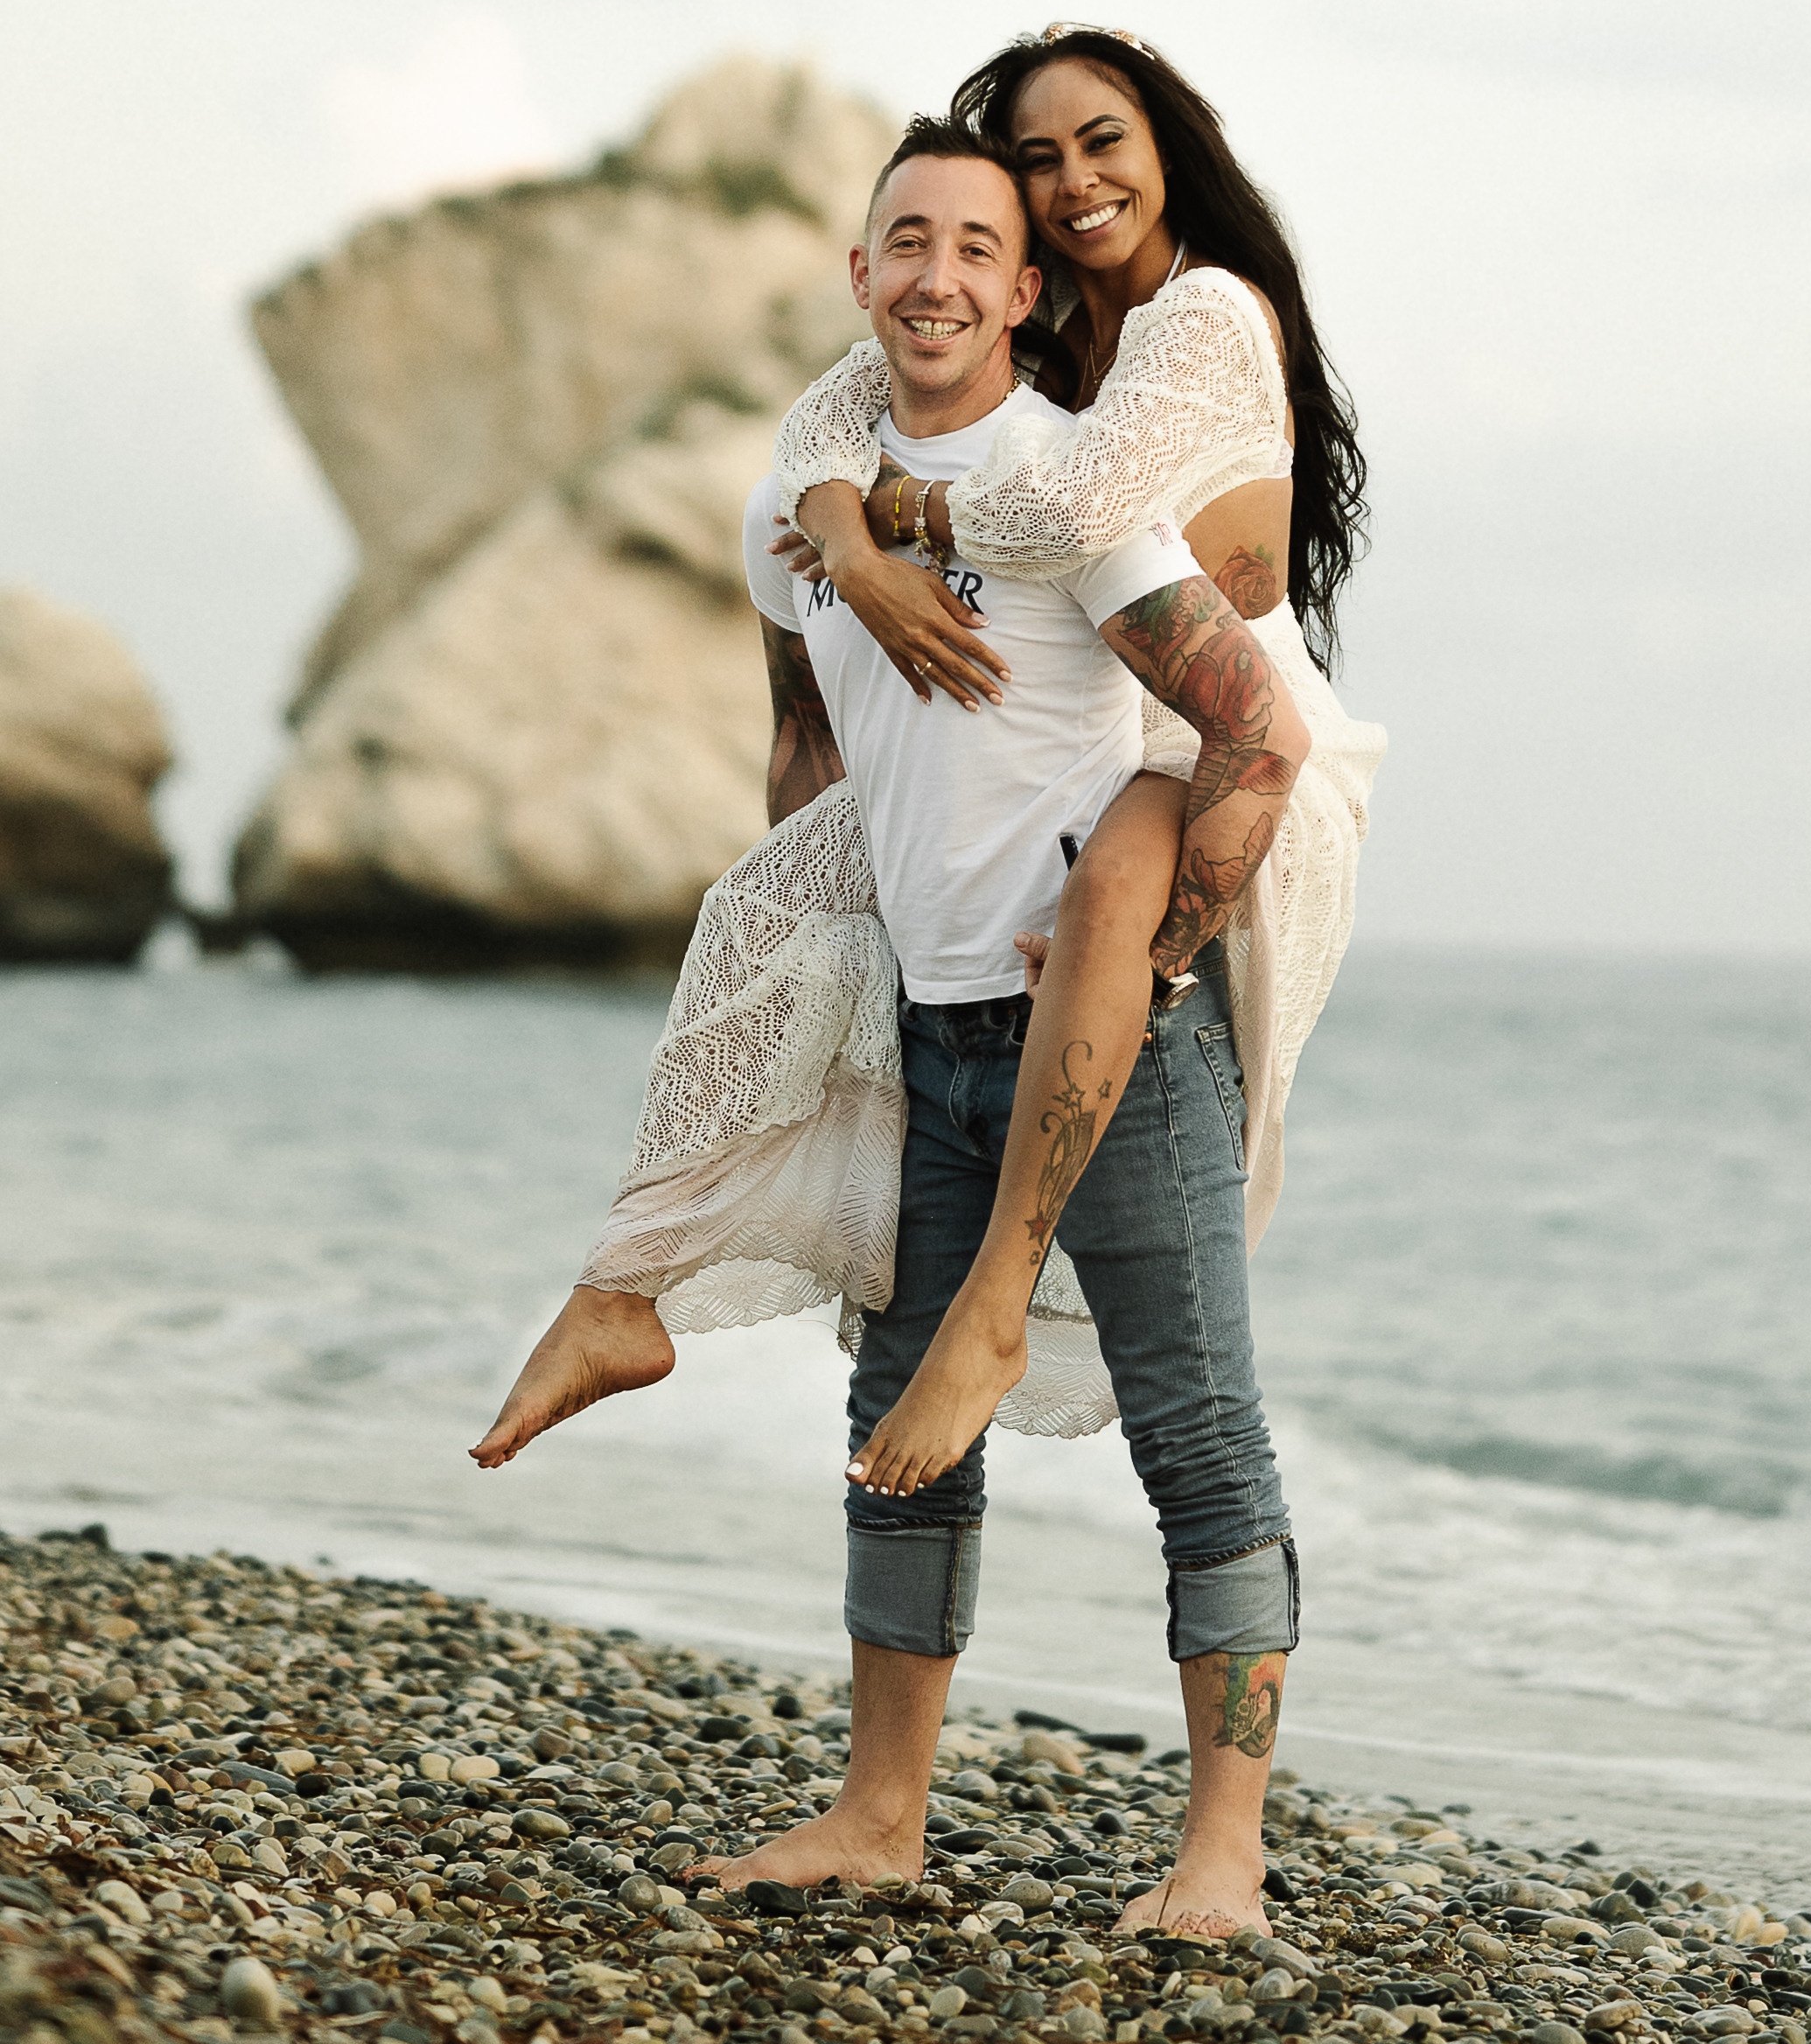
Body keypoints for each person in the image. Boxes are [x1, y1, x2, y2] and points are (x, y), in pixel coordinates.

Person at [479, 116, 1311, 1935]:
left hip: (1113, 1050)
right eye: (903, 242)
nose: (936, 275)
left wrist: (1148, 940)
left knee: (1200, 1432)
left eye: (973, 249)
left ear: (1027, 292)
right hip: (932, 1031)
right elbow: (805, 759)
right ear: (860, 281)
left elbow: (1258, 725)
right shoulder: (804, 524)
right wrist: (808, 963)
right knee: (891, 1418)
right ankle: (880, 1814)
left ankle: (1225, 1857)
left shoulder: (1070, 495)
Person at [767, 27, 1382, 1497]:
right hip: (1124, 748)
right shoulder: (1057, 342)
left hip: (1244, 754)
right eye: (1037, 159)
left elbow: (1075, 510)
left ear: (1169, 143)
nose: (1073, 179)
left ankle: (994, 1308)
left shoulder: (1205, 312)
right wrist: (845, 549)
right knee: (791, 887)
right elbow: (816, 429)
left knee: (1113, 883)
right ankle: (644, 1277)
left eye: (1102, 140)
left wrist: (906, 523)